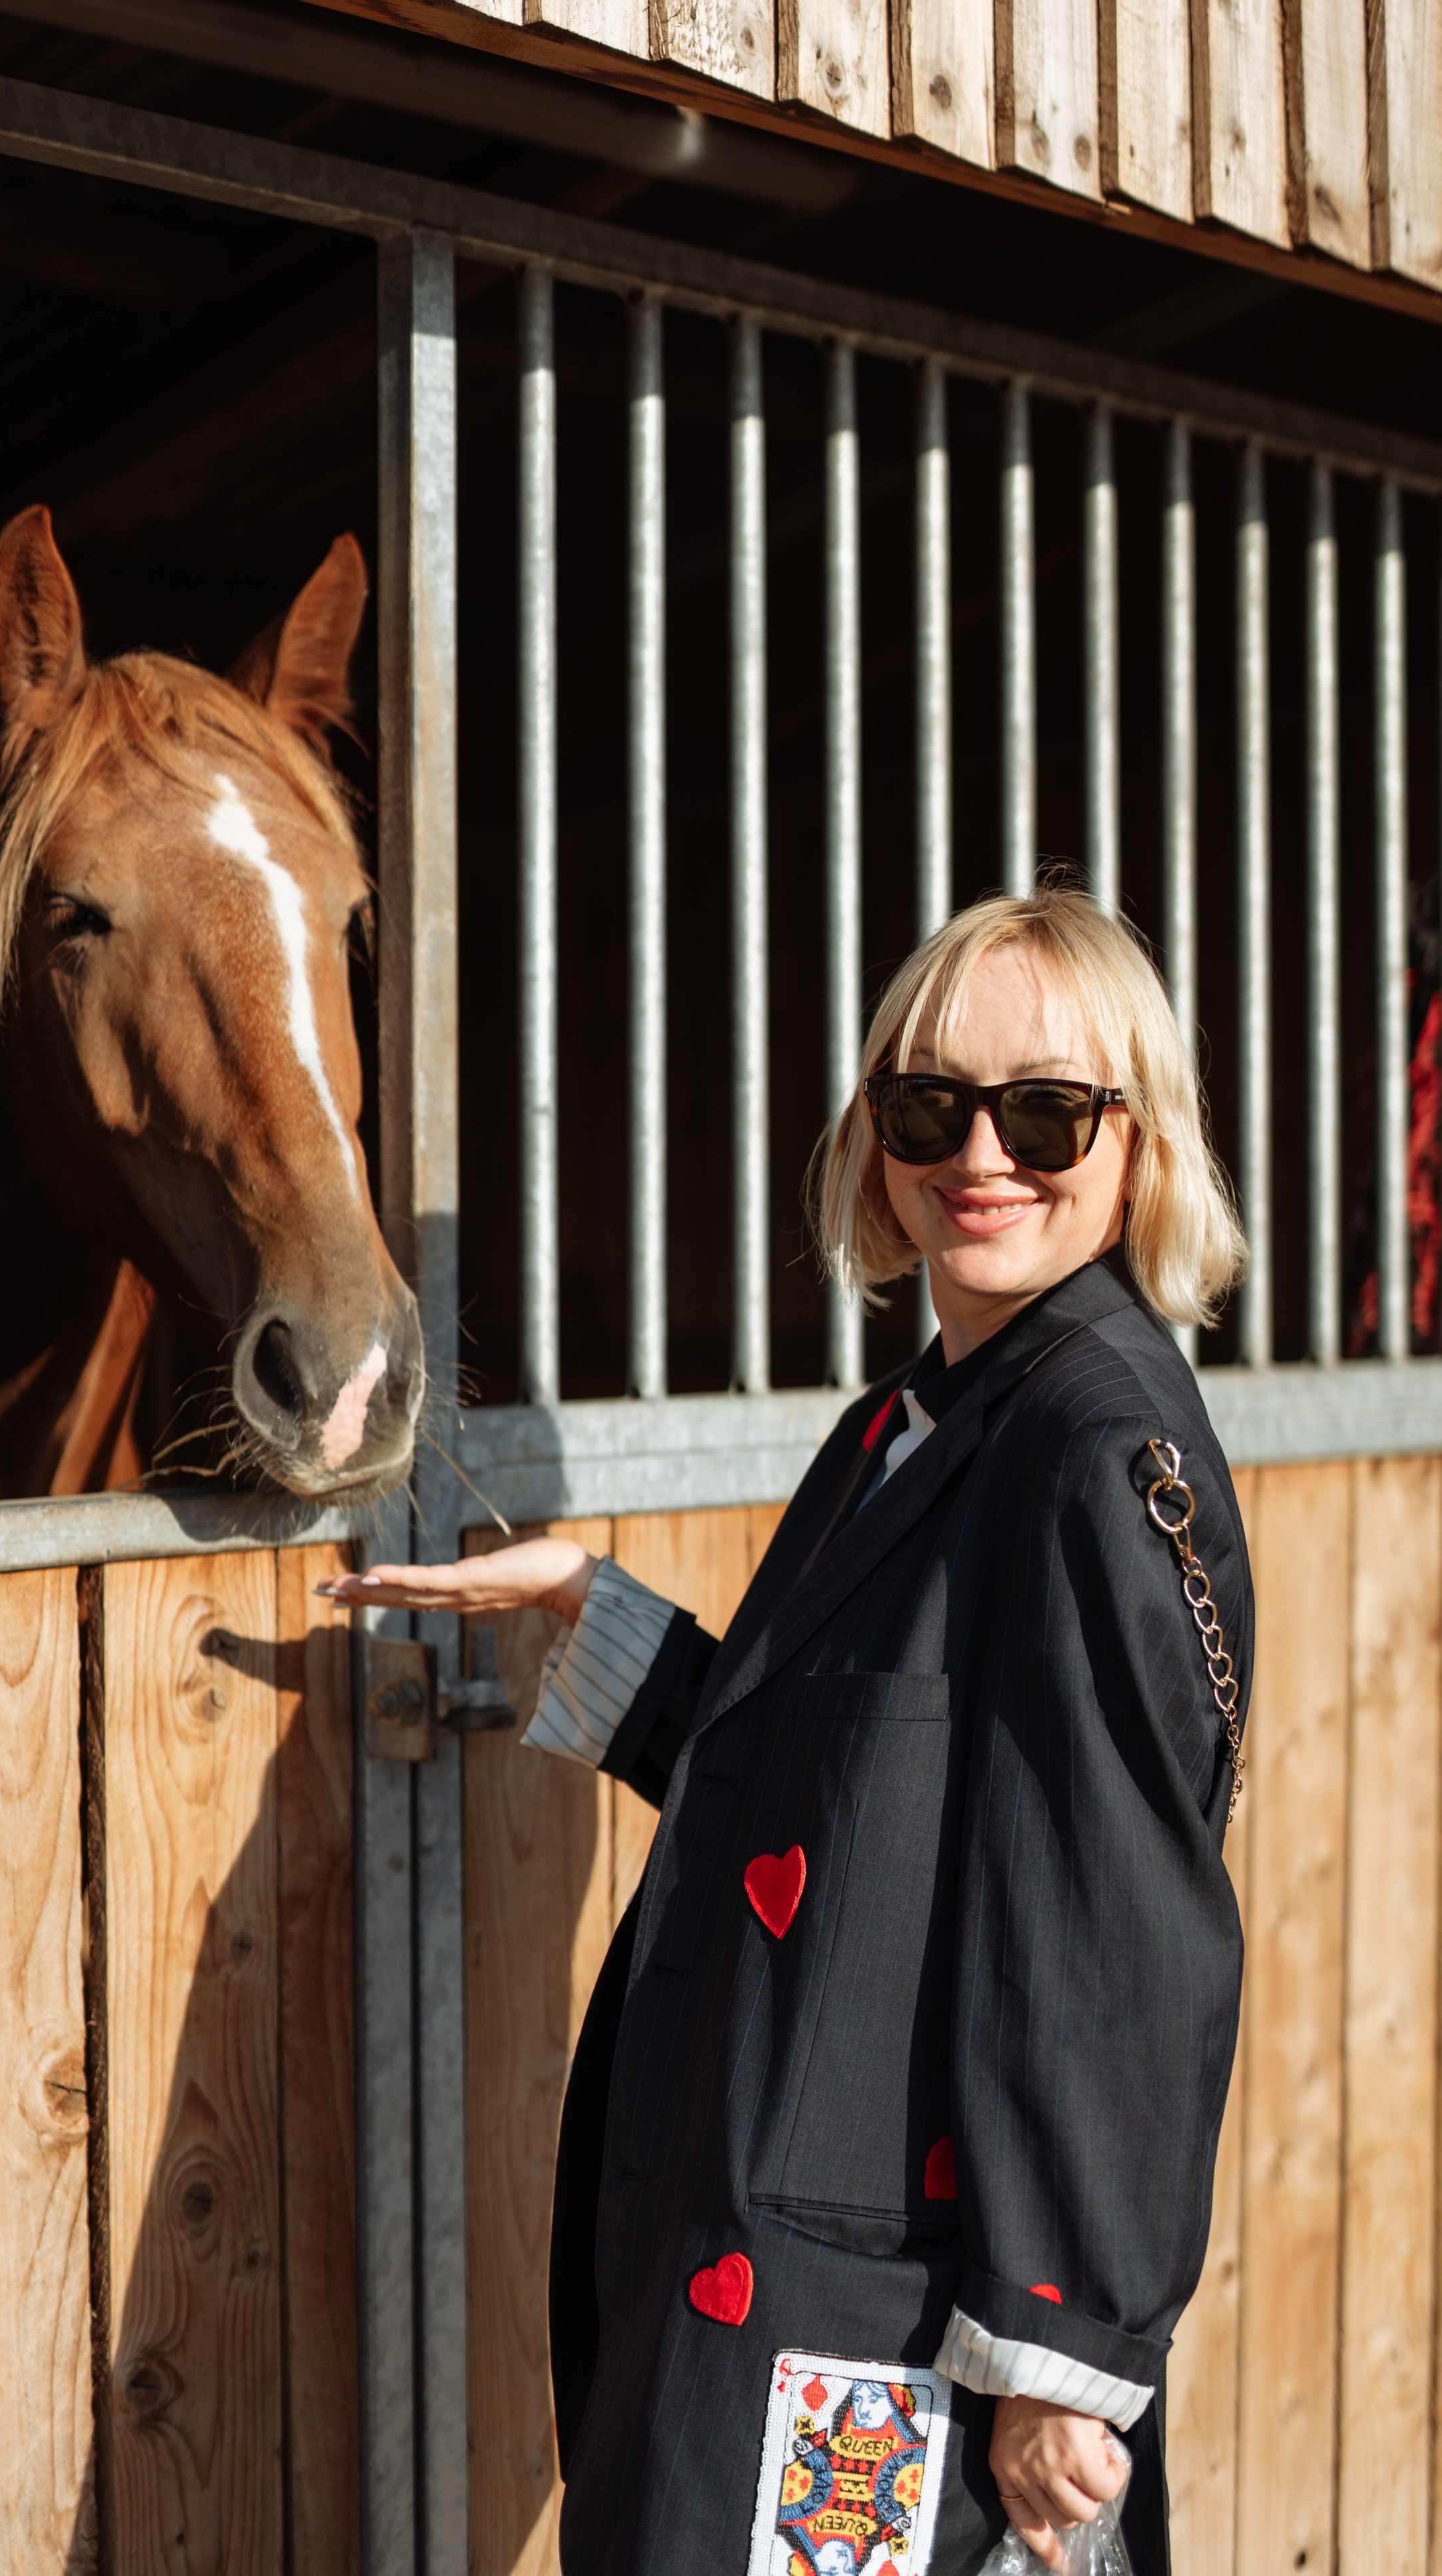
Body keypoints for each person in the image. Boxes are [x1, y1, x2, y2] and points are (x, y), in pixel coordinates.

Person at [318, 888, 1252, 2576]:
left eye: (1045, 1111)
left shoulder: (1087, 1452)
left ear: (1135, 1144)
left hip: (895, 2338)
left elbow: (1111, 1936)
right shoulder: (917, 1419)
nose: (981, 1154)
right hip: (793, 2297)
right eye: (928, 1105)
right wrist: (594, 1616)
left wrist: (1056, 2359)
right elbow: (864, 1804)